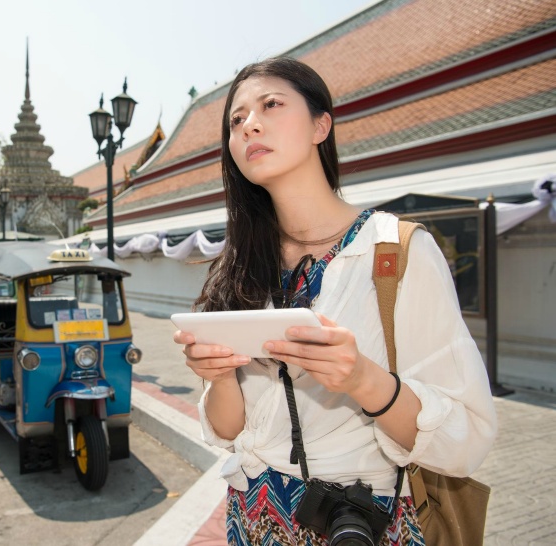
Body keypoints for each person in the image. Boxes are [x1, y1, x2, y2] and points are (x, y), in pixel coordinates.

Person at [173, 57, 497, 546]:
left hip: (358, 522)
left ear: (321, 124)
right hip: (252, 519)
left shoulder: (397, 250)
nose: (249, 125)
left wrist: (364, 379)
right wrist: (218, 376)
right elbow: (229, 428)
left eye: (271, 105)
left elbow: (466, 439)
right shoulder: (238, 266)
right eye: (235, 121)